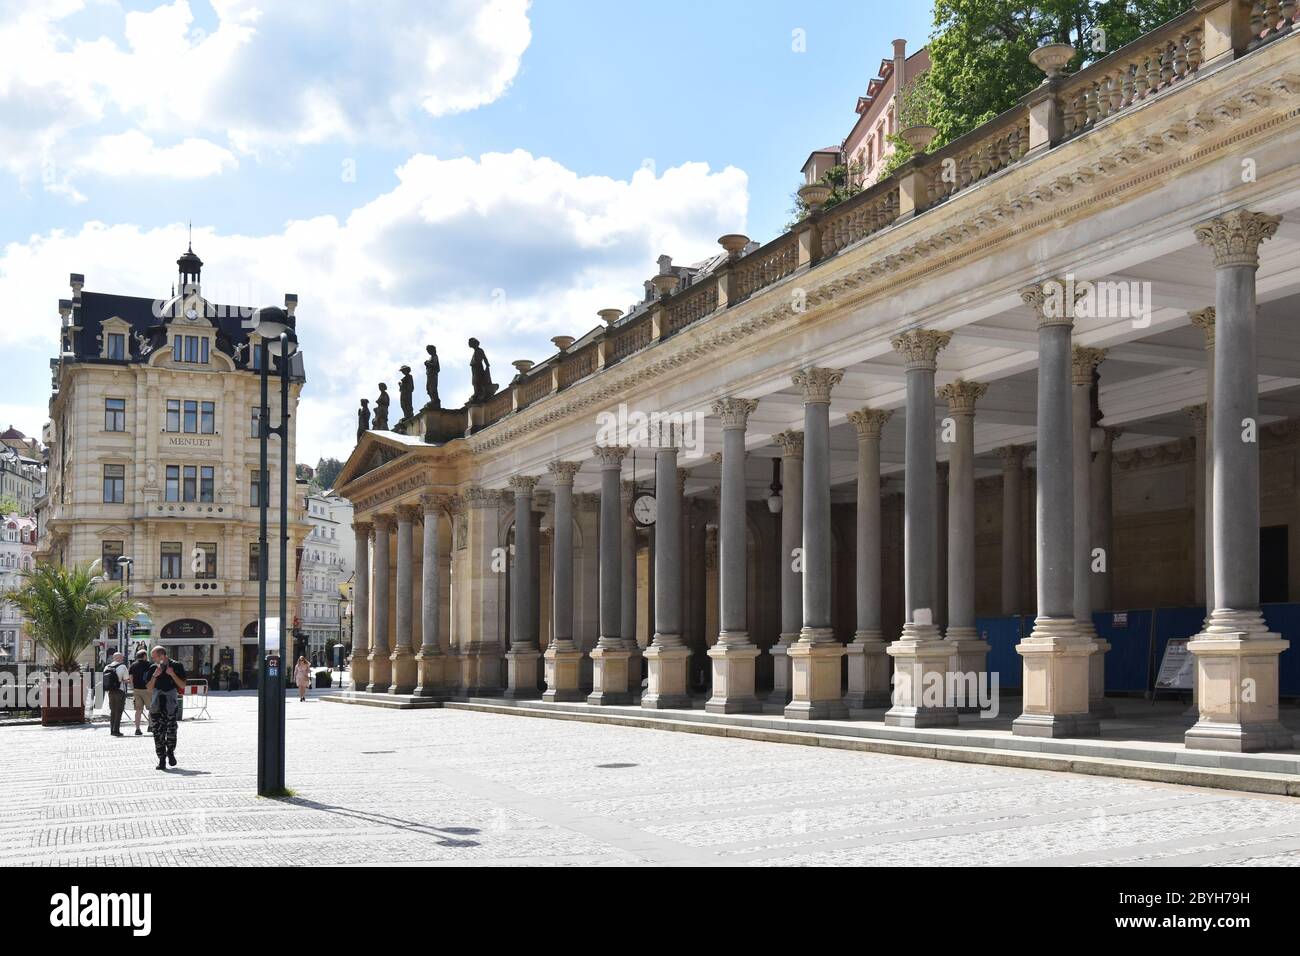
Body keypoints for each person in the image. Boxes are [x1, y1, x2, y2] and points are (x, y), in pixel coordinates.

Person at [145, 646, 187, 770]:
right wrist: (154, 676)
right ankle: (161, 759)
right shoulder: (153, 667)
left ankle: (170, 752)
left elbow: (182, 684)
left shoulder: (176, 665)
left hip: (171, 705)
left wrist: (172, 674)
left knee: (171, 731)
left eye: (154, 657)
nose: (152, 659)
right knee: (157, 733)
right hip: (157, 706)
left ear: (162, 656)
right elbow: (148, 688)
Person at [103, 652, 129, 737]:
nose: (122, 659)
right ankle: (116, 730)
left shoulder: (107, 667)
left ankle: (112, 730)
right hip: (120, 691)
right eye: (122, 657)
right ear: (120, 658)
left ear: (114, 658)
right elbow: (126, 679)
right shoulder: (123, 667)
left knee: (113, 711)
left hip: (110, 692)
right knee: (119, 711)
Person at [128, 650, 152, 736]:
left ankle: (137, 729)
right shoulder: (149, 664)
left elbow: (130, 677)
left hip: (137, 690)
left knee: (138, 711)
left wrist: (133, 687)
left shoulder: (133, 665)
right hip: (147, 690)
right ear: (145, 656)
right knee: (151, 708)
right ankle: (150, 726)